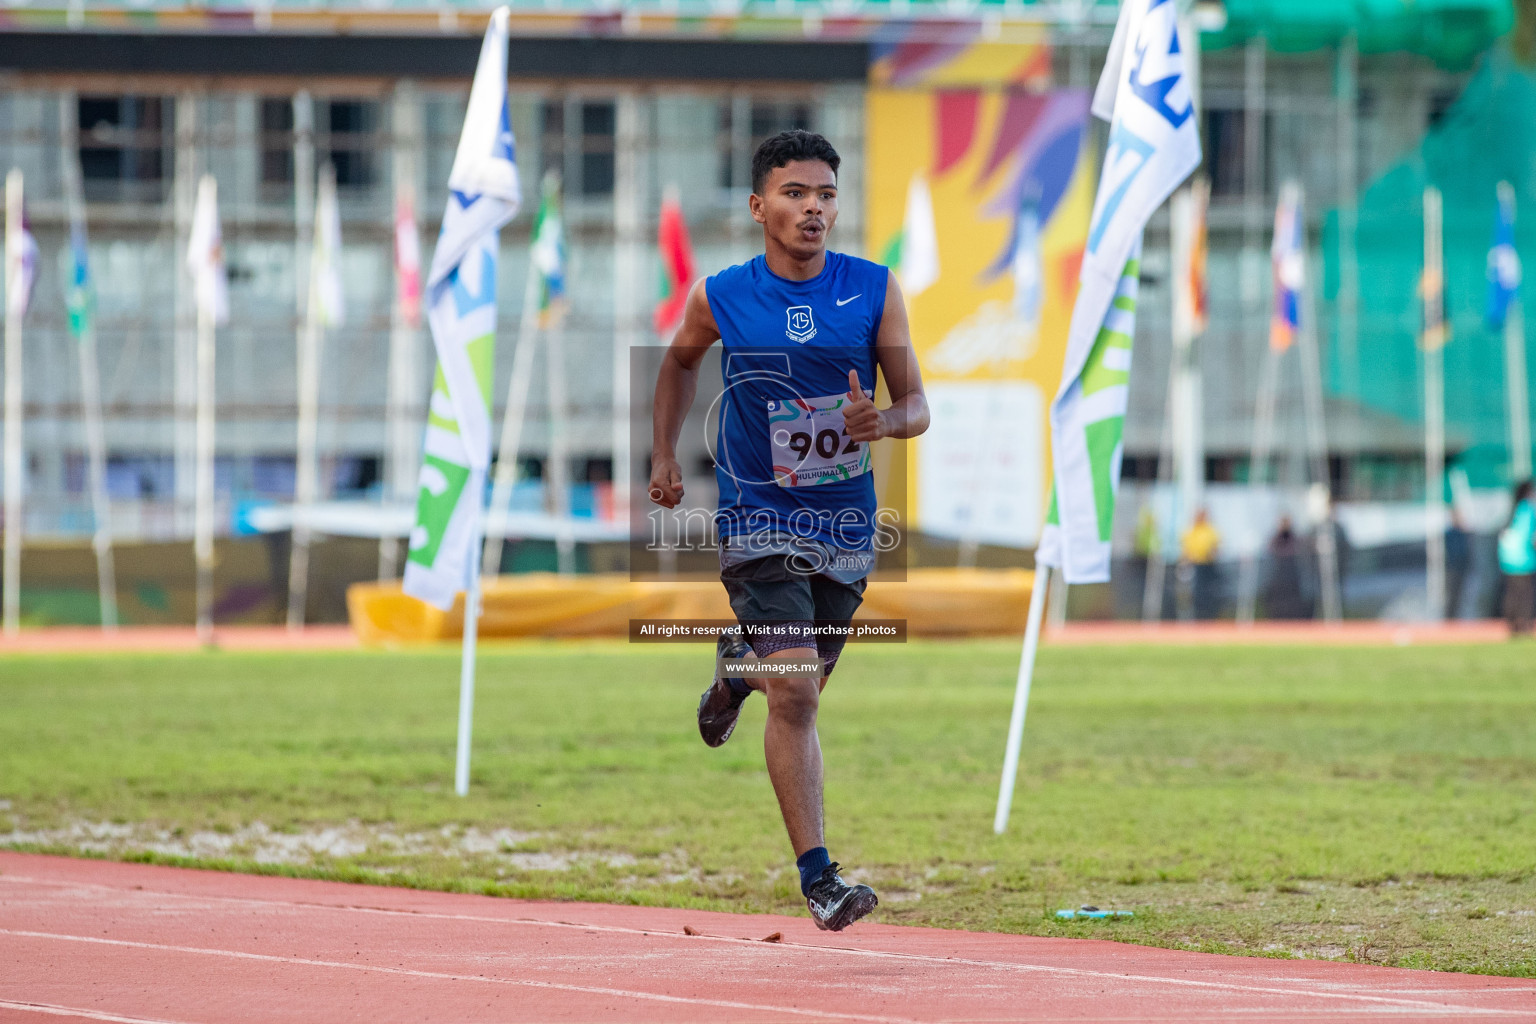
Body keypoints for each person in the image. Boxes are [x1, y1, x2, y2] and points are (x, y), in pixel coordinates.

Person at [649, 130, 930, 931]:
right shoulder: (722, 294)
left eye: (827, 195)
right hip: (756, 519)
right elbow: (676, 365)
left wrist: (884, 419)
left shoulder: (874, 289)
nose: (813, 208)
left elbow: (918, 405)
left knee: (795, 687)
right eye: (796, 193)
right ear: (758, 205)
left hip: (844, 523)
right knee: (799, 694)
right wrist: (665, 455)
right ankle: (821, 880)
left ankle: (738, 673)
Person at [1498, 479, 1536, 636]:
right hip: (1524, 559)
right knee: (1526, 595)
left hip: (1508, 559)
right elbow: (1532, 535)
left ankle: (1512, 624)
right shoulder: (1527, 509)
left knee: (1512, 593)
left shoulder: (1511, 509)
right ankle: (1525, 625)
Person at [1261, 515, 1309, 619]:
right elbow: (1272, 550)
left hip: (1292, 576)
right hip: (1278, 576)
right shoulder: (1275, 538)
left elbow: (1299, 549)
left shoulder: (1295, 538)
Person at [1179, 507, 1221, 619]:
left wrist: (1212, 553)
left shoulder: (1210, 530)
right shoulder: (1192, 531)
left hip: (1209, 564)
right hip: (1196, 565)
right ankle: (1199, 615)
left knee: (1211, 590)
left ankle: (1210, 615)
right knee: (1198, 591)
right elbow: (1186, 549)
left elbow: (1215, 547)